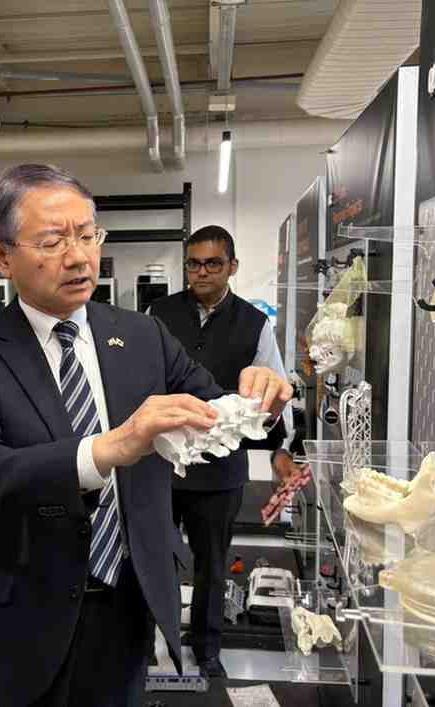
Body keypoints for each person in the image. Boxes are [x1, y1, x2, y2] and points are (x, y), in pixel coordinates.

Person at [0, 164, 292, 706]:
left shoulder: (142, 334)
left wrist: (258, 400)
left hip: (127, 606)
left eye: (87, 235)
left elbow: (213, 409)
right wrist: (108, 449)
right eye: (52, 241)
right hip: (17, 619)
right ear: (1, 256)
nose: (78, 257)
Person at [148, 225, 297, 678]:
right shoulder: (158, 313)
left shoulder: (254, 323)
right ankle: (148, 643)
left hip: (220, 471)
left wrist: (281, 450)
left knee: (212, 565)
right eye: (193, 263)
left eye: (213, 263)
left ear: (232, 266)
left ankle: (208, 649)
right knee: (153, 559)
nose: (202, 272)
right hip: (161, 464)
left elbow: (273, 394)